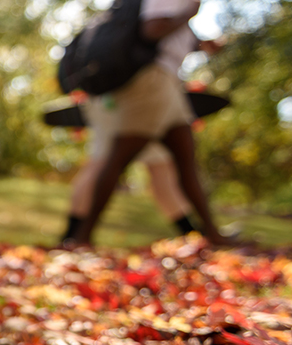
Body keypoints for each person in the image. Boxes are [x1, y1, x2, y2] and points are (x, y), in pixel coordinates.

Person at [71, 0, 227, 247]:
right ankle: (81, 236)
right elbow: (153, 29)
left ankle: (212, 235)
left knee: (184, 159)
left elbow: (163, 32)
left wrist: (199, 44)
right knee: (119, 158)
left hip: (166, 80)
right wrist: (189, 12)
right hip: (152, 81)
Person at [60, 95, 196, 244]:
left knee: (159, 173)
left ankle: (192, 234)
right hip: (135, 100)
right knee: (102, 165)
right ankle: (74, 236)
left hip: (108, 101)